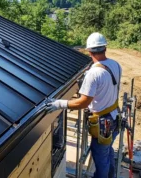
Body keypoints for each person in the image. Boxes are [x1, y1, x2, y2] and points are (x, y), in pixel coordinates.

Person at [46, 32, 122, 178]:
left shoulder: (93, 74)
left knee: (100, 160)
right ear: (104, 48)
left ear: (89, 51)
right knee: (108, 151)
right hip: (115, 116)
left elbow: (83, 102)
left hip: (103, 123)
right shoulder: (115, 64)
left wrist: (59, 104)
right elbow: (106, 86)